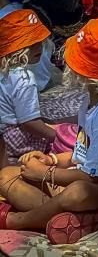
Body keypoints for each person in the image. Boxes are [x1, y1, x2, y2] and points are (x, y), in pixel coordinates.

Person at [0, 19, 98, 244]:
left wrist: (45, 174)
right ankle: (67, 217)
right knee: (7, 174)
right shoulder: (89, 100)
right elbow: (79, 156)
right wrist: (50, 159)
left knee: (77, 192)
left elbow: (92, 178)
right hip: (80, 178)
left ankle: (21, 220)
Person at [0, 10, 62, 167]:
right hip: (17, 139)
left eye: (40, 42)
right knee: (64, 140)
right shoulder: (24, 78)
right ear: (17, 49)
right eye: (32, 44)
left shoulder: (5, 72)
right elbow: (29, 122)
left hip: (4, 134)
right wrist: (55, 136)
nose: (39, 48)